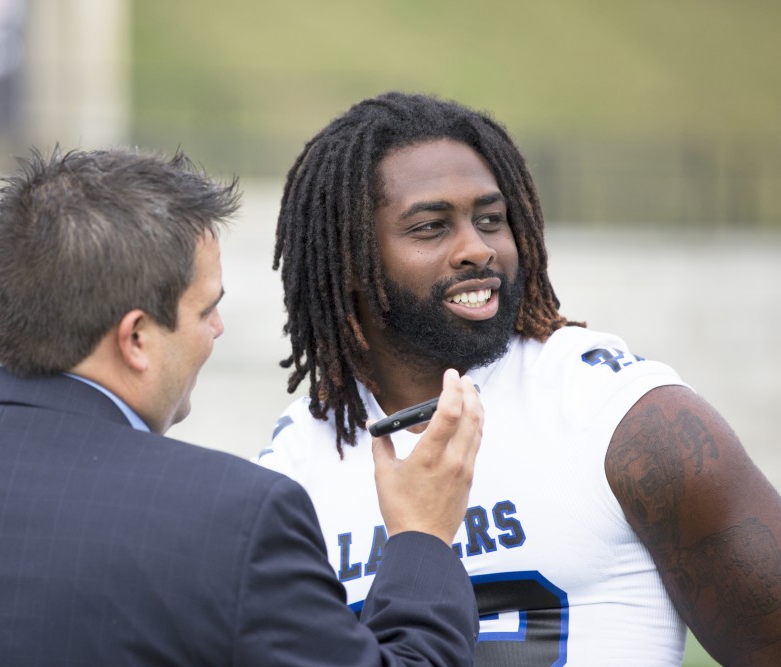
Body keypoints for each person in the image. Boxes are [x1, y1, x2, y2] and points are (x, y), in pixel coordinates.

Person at [0, 146, 483, 665]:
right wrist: (421, 538)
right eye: (207, 309)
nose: (217, 331)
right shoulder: (233, 521)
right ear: (137, 337)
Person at [259, 92, 781, 666]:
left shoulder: (628, 422)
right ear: (350, 259)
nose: (476, 249)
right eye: (432, 227)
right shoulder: (292, 471)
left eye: (490, 219)